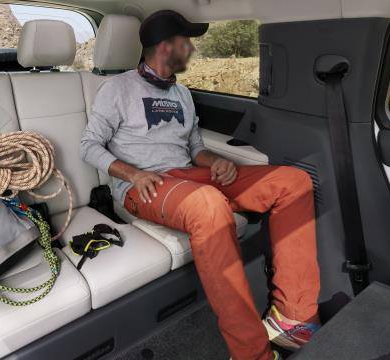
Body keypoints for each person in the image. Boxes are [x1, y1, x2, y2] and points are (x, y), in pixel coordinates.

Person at [80, 9, 321, 360]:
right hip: (142, 186)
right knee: (208, 204)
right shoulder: (115, 90)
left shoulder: (182, 95)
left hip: (188, 176)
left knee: (292, 182)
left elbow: (194, 149)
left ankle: (293, 320)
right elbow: (88, 146)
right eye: (186, 42)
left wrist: (217, 161)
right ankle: (251, 352)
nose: (192, 49)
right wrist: (132, 174)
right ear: (165, 46)